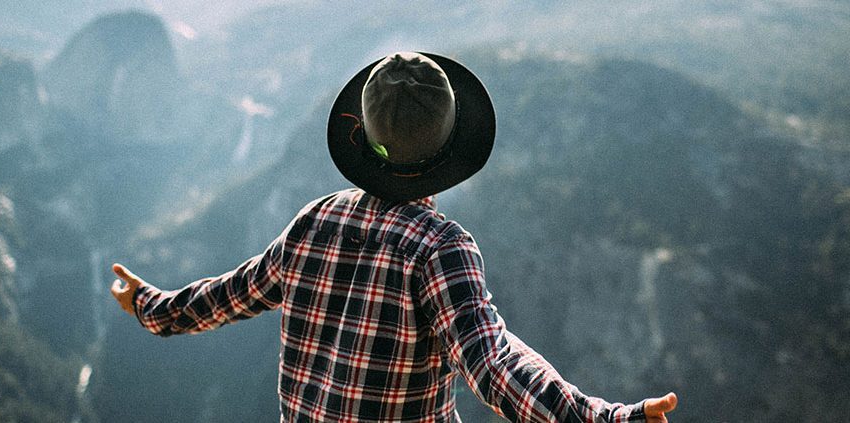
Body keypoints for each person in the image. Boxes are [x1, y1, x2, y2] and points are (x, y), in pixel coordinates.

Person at [111, 51, 678, 422]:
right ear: (448, 148)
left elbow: (227, 297)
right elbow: (493, 364)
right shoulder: (439, 248)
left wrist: (147, 304)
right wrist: (607, 418)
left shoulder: (315, 222)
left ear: (363, 136)